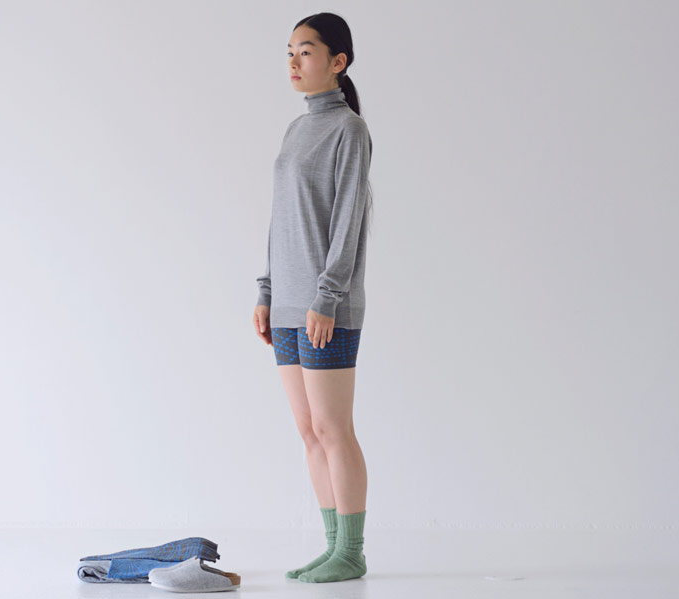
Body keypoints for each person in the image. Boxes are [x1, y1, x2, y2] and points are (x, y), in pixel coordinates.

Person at [252, 12, 373, 584]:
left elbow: (348, 220)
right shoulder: (296, 129)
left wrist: (327, 296)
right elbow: (282, 217)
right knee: (308, 430)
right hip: (287, 305)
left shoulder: (349, 130)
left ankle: (352, 551)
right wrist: (266, 289)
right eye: (290, 53)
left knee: (332, 427)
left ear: (337, 61)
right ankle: (331, 548)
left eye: (305, 51)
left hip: (327, 307)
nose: (294, 62)